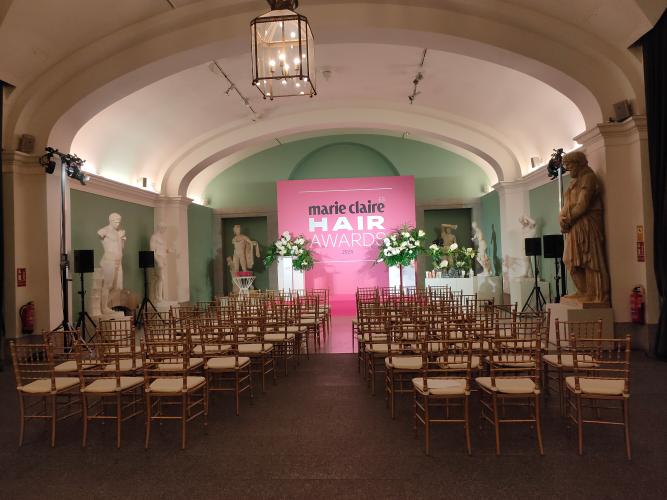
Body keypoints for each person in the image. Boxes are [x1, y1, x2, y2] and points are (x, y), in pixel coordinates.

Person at [559, 151, 610, 303]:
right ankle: (583, 291)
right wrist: (561, 218)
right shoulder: (574, 182)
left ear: (579, 163)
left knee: (589, 260)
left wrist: (567, 219)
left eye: (570, 165)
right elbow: (568, 204)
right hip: (575, 224)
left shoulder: (588, 178)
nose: (568, 169)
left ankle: (595, 293)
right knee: (570, 260)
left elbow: (583, 204)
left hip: (586, 224)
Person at [98, 213, 126, 314]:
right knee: (107, 285)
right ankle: (104, 308)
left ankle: (105, 305)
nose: (118, 224)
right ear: (110, 220)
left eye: (119, 222)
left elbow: (121, 248)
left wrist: (122, 239)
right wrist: (119, 237)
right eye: (115, 221)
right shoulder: (104, 231)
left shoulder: (118, 233)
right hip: (109, 260)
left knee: (118, 287)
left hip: (118, 261)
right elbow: (101, 236)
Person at [149, 224, 170, 303]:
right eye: (163, 228)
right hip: (158, 259)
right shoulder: (154, 237)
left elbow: (163, 249)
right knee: (160, 278)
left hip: (162, 259)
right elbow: (152, 251)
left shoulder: (162, 238)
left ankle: (160, 297)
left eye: (165, 228)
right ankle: (158, 297)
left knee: (161, 278)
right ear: (159, 228)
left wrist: (169, 250)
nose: (164, 229)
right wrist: (157, 261)